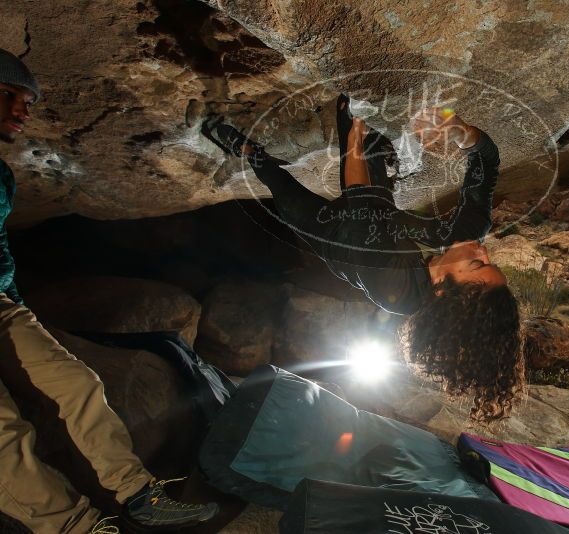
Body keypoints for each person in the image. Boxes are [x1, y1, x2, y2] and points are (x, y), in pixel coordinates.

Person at [0, 49, 218, 534]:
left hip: (1, 309)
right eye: (11, 95)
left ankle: (138, 495)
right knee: (4, 434)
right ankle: (79, 528)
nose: (23, 111)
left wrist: (14, 300)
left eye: (28, 101)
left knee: (77, 384)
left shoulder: (1, 176)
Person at [202, 95, 523, 421]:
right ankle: (377, 150)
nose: (483, 250)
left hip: (335, 235)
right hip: (377, 215)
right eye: (488, 259)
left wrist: (354, 126)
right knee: (371, 155)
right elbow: (487, 161)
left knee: (285, 184)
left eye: (478, 264)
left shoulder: (392, 288)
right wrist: (459, 131)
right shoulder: (469, 234)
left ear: (442, 288)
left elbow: (360, 200)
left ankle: (249, 153)